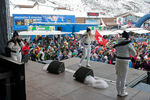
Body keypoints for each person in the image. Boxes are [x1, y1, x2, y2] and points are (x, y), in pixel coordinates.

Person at [113, 31, 136, 97]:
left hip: (118, 60)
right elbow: (134, 53)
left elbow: (116, 51)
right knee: (123, 77)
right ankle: (122, 92)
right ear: (127, 37)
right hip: (125, 61)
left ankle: (118, 92)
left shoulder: (118, 42)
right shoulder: (128, 43)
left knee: (118, 76)